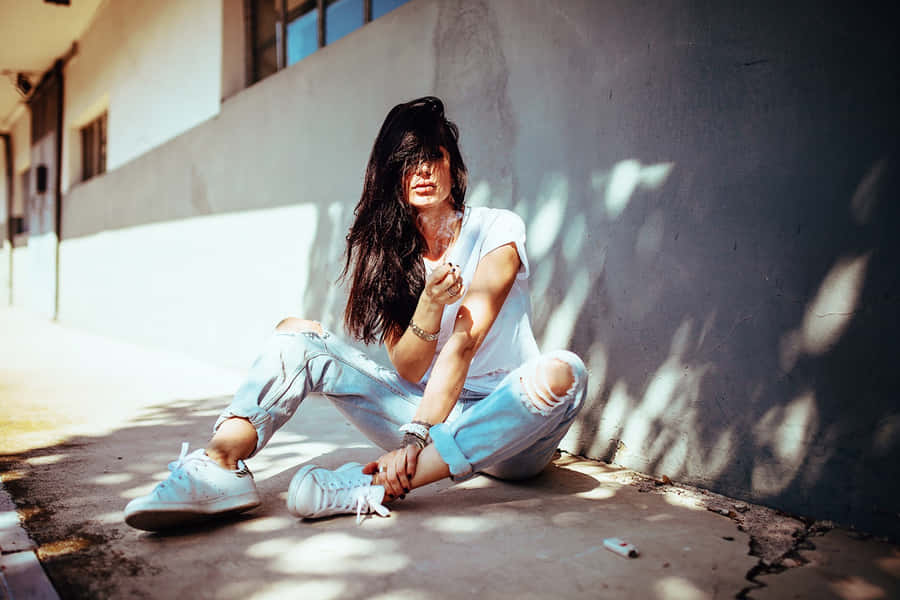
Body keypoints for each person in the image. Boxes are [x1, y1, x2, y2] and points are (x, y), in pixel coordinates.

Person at [124, 96, 587, 530]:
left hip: (507, 432)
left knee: (565, 372)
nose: (422, 170)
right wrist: (428, 303)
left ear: (453, 164)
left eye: (433, 156)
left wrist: (415, 439)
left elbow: (464, 343)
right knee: (294, 337)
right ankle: (218, 468)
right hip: (424, 414)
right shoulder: (386, 255)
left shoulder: (496, 229)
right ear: (391, 173)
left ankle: (373, 484)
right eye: (408, 161)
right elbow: (409, 367)